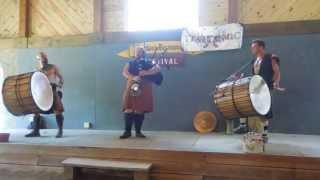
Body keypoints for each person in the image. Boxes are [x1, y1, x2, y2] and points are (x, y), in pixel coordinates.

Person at [235, 40, 281, 143]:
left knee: (265, 114)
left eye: (254, 47)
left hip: (266, 89)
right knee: (244, 103)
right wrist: (242, 77)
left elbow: (277, 72)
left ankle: (264, 135)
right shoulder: (254, 61)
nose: (252, 49)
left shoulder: (271, 57)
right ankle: (243, 125)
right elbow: (254, 76)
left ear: (261, 47)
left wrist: (276, 82)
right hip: (256, 89)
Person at [121, 48, 161, 139]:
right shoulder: (129, 63)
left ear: (144, 53)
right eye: (137, 52)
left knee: (140, 108)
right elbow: (124, 72)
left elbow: (158, 68)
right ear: (134, 54)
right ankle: (127, 132)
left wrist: (146, 73)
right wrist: (133, 77)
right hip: (132, 85)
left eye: (140, 52)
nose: (138, 53)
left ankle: (138, 132)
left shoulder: (149, 62)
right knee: (128, 108)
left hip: (145, 86)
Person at [25, 52, 65, 138]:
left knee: (58, 110)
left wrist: (59, 85)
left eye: (44, 57)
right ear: (38, 60)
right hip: (42, 94)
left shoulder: (53, 67)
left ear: (46, 58)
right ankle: (36, 131)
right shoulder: (38, 71)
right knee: (35, 110)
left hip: (54, 91)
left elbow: (61, 78)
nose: (43, 59)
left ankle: (60, 131)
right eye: (40, 58)